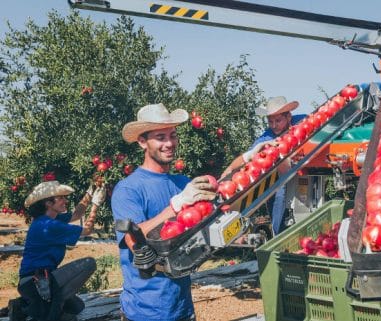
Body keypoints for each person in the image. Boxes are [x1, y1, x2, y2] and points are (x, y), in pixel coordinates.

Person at [111, 103, 217, 321]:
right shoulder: (128, 189)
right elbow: (134, 241)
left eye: (173, 135)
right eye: (160, 137)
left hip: (182, 307)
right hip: (145, 311)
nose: (169, 143)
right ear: (142, 141)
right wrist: (175, 206)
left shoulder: (183, 183)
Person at [11, 180, 107, 321]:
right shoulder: (48, 226)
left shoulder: (46, 220)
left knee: (77, 306)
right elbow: (87, 230)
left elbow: (77, 214)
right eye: (60, 198)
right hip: (36, 281)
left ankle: (23, 305)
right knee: (89, 263)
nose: (65, 201)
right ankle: (38, 307)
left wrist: (90, 192)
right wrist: (95, 205)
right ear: (48, 203)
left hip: (40, 279)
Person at [221, 96, 306, 235]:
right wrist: (225, 176)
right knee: (278, 201)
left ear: (289, 116)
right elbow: (247, 158)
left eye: (278, 120)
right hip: (279, 183)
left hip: (304, 173)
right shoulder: (266, 138)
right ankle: (277, 236)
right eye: (270, 121)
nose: (274, 125)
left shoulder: (301, 121)